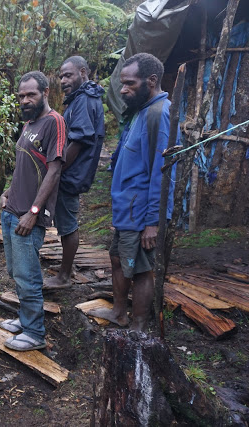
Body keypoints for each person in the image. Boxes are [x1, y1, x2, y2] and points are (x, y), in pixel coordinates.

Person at [87, 53, 176, 331]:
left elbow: (162, 174)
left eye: (129, 84)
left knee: (140, 269)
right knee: (117, 258)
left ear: (151, 81)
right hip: (127, 208)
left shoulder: (159, 114)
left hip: (141, 212)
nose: (123, 90)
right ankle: (119, 312)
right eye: (122, 83)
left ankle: (137, 327)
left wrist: (152, 222)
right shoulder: (141, 109)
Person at [0, 71, 66, 351]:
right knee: (16, 271)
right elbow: (24, 166)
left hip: (29, 216)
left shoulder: (54, 122)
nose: (25, 100)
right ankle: (26, 321)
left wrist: (35, 211)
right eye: (21, 96)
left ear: (46, 93)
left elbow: (55, 168)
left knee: (28, 276)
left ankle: (36, 333)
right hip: (12, 210)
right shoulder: (28, 124)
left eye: (31, 95)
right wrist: (7, 192)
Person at [44, 56, 105, 290]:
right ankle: (64, 272)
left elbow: (78, 141)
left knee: (68, 224)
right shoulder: (80, 99)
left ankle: (64, 276)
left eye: (68, 75)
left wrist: (56, 169)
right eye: (61, 76)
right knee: (64, 221)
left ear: (83, 72)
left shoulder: (85, 100)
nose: (63, 80)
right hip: (69, 173)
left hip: (71, 175)